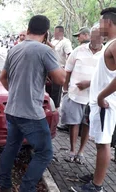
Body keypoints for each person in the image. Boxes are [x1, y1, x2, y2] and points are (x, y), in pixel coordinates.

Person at [0, 15, 65, 192]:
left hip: (12, 110)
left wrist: (15, 93)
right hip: (30, 113)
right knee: (45, 152)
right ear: (46, 32)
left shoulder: (14, 49)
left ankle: (4, 186)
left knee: (11, 148)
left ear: (28, 29)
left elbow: (2, 78)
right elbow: (60, 79)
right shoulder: (45, 51)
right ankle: (26, 188)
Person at [71, 7, 116, 192]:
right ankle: (98, 175)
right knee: (99, 143)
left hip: (106, 104)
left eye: (101, 23)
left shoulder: (115, 44)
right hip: (100, 103)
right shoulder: (110, 43)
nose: (98, 26)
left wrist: (101, 96)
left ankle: (96, 187)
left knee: (103, 144)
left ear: (109, 23)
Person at [61, 25, 104, 165]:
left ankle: (81, 152)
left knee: (87, 124)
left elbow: (107, 77)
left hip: (93, 97)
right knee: (74, 123)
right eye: (95, 35)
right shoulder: (78, 50)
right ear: (90, 36)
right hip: (75, 94)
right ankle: (72, 150)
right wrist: (65, 89)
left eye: (101, 36)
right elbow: (68, 70)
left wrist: (90, 83)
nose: (98, 38)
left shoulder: (106, 54)